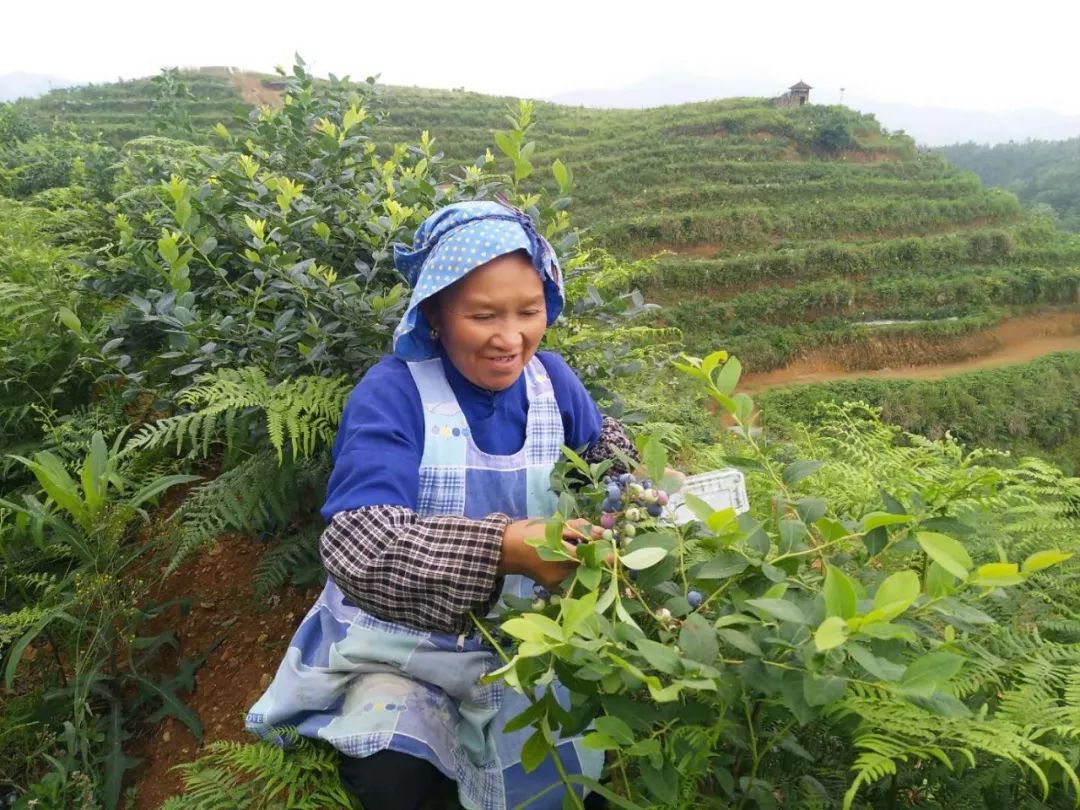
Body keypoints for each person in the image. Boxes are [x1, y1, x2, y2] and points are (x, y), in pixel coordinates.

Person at [246, 200, 638, 810]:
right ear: (435, 313)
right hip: (400, 644)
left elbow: (614, 471)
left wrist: (635, 511)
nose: (511, 338)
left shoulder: (553, 382)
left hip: (528, 634)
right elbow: (360, 544)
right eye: (483, 316)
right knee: (397, 780)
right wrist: (505, 548)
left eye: (529, 312)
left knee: (581, 775)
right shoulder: (394, 394)